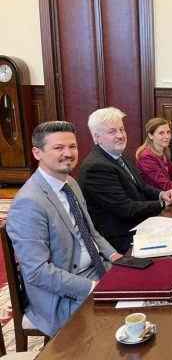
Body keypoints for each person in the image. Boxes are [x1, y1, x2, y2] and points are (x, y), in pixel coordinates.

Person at [6, 121, 122, 337]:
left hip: (97, 268)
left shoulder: (70, 183)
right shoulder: (29, 203)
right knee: (117, 330)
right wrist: (92, 287)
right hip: (63, 293)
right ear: (37, 153)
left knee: (151, 297)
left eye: (72, 146)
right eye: (58, 148)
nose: (68, 153)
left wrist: (116, 257)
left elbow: (91, 233)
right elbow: (37, 272)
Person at [78, 107, 172, 254]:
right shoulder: (96, 167)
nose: (120, 135)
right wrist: (162, 204)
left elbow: (141, 186)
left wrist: (162, 194)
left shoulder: (123, 155)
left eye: (122, 129)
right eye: (112, 132)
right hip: (121, 237)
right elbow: (126, 208)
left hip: (140, 223)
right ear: (97, 137)